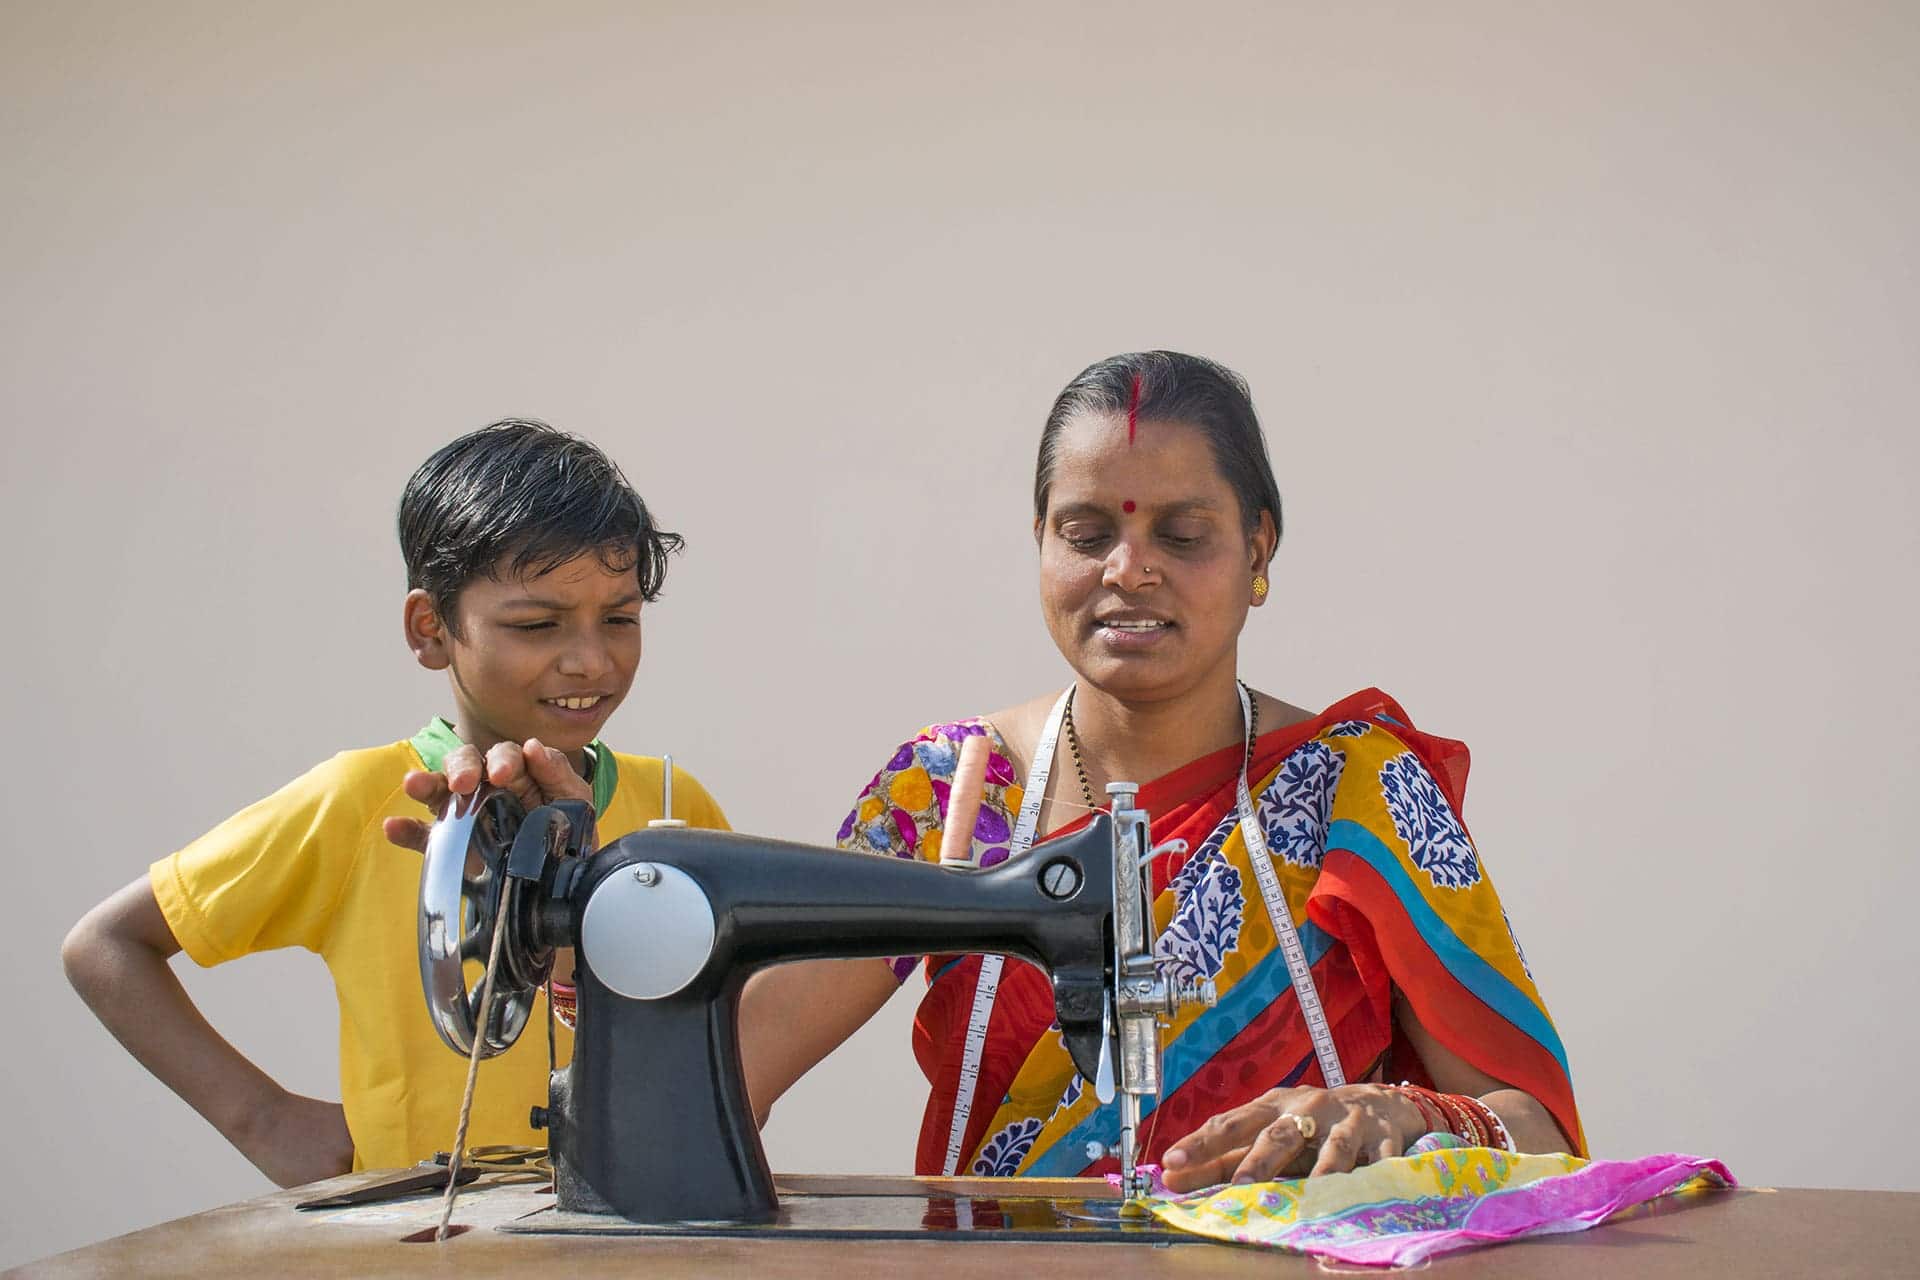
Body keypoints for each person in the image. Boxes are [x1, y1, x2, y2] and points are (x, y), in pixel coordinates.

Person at [737, 351, 1583, 1192]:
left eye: (1181, 536)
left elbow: (1543, 1139)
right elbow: (731, 1074)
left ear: (1259, 549)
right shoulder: (952, 789)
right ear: (1040, 542)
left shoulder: (1358, 789)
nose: (1129, 569)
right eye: (1086, 534)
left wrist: (1406, 1114)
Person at [62, 420, 729, 1188]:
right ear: (430, 629)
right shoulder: (359, 805)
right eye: (537, 624)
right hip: (417, 1247)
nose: (591, 658)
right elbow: (105, 947)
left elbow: (730, 1051)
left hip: (645, 1235)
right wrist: (262, 1117)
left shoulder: (678, 810)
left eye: (620, 617)